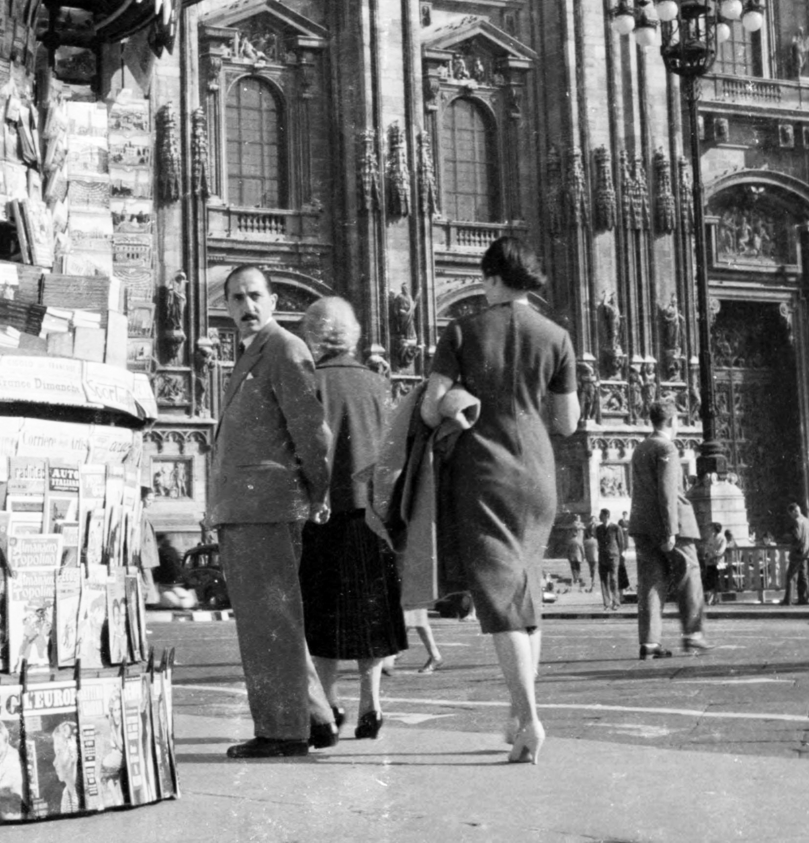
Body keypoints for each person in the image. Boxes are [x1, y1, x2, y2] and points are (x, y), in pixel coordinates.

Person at [422, 237, 579, 765]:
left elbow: (428, 409)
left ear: (490, 278)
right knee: (526, 597)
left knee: (500, 603)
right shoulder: (557, 336)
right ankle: (516, 714)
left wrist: (457, 401)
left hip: (484, 474)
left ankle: (530, 718)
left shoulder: (463, 330)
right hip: (538, 476)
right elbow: (568, 422)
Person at [208, 264, 334, 758]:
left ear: (274, 300)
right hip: (246, 506)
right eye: (237, 298)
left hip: (268, 506)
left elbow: (312, 430)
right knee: (274, 620)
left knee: (269, 625)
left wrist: (319, 493)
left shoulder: (283, 348)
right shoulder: (252, 353)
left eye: (255, 296)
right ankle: (315, 719)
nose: (247, 307)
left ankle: (283, 732)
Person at [297, 296, 408, 741]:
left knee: (321, 615)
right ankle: (372, 707)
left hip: (322, 513)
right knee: (372, 617)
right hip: (373, 516)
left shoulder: (310, 381)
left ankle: (325, 707)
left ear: (312, 334)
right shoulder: (379, 384)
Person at [627, 400, 711, 659]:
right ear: (673, 421)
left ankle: (650, 642)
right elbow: (667, 492)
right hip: (673, 525)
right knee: (690, 575)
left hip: (643, 526)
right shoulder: (668, 448)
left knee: (650, 583)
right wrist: (670, 530)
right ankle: (693, 633)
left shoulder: (640, 448)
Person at [778, 502, 809, 605]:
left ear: (793, 511)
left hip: (797, 552)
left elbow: (797, 537)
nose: (791, 516)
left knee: (791, 576)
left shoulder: (797, 521)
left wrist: (788, 539)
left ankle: (788, 600)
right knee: (804, 576)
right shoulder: (807, 520)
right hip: (806, 552)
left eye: (790, 514)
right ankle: (804, 598)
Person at [592, 509, 622, 610]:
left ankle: (616, 602)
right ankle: (606, 603)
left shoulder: (616, 528)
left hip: (613, 557)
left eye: (601, 515)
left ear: (607, 515)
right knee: (603, 580)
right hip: (602, 557)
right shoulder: (598, 528)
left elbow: (621, 544)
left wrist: (618, 555)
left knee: (613, 579)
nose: (600, 517)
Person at [701, 522, 727, 601]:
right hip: (709, 561)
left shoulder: (722, 538)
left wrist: (714, 555)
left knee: (716, 580)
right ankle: (712, 597)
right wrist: (706, 554)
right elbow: (707, 546)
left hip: (717, 561)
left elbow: (721, 550)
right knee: (710, 580)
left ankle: (715, 597)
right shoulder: (711, 537)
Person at [563, 517, 585, 589]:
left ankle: (575, 578)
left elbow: (567, 550)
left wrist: (567, 556)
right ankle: (577, 578)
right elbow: (582, 549)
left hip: (572, 557)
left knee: (573, 568)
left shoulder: (570, 541)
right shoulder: (579, 541)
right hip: (578, 556)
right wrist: (583, 556)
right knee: (578, 567)